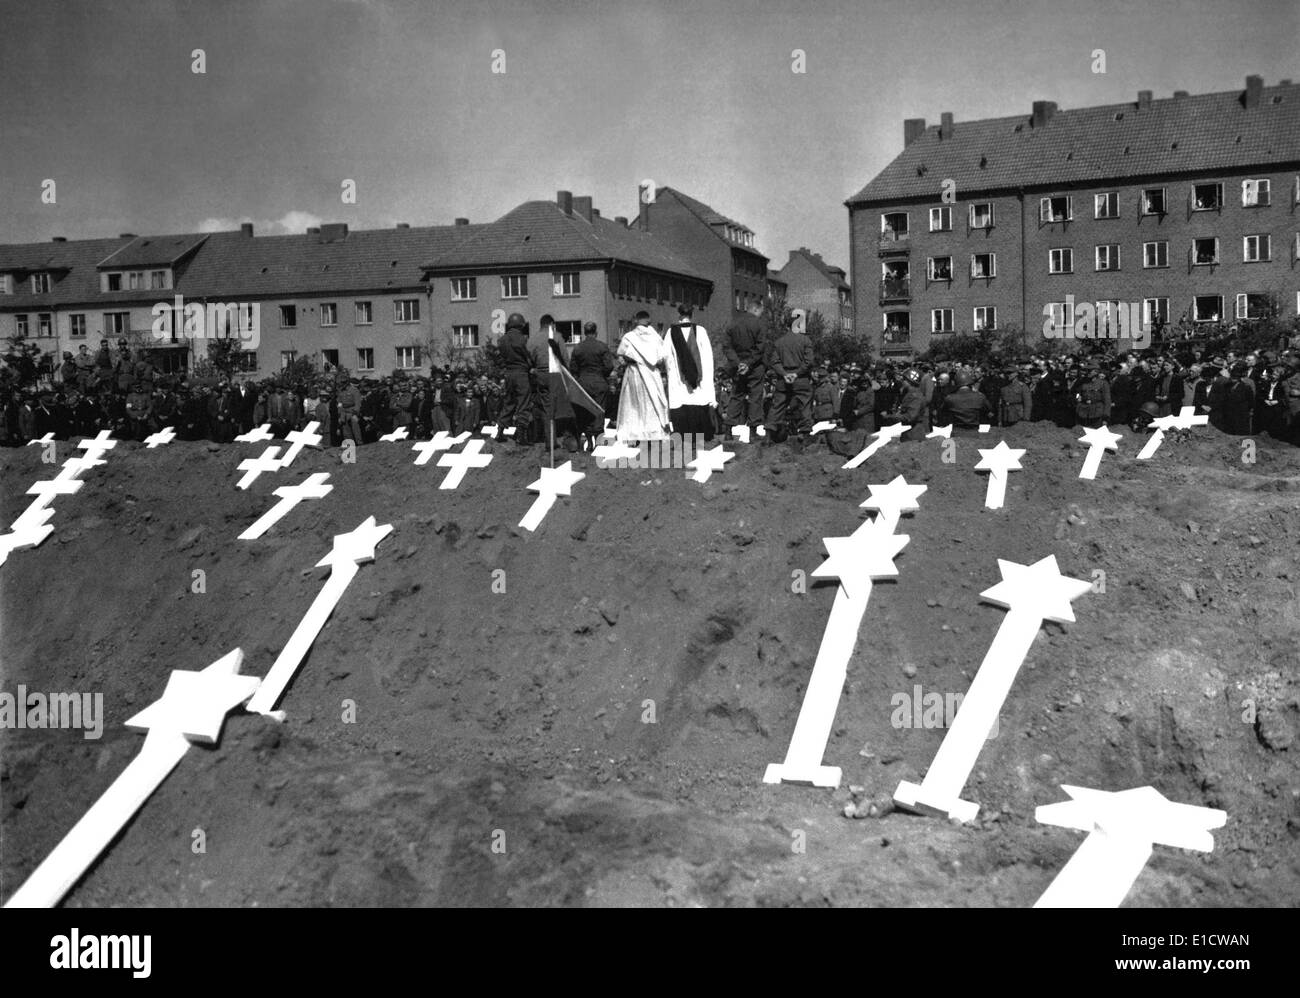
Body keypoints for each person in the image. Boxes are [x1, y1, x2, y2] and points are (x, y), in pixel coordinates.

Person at [663, 303, 717, 442]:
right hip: (699, 378)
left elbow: (667, 356)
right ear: (691, 315)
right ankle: (701, 436)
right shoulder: (701, 330)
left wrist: (673, 371)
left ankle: (683, 437)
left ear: (679, 315)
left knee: (681, 404)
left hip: (678, 378)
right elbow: (707, 355)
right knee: (698, 402)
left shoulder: (671, 332)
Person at [615, 311, 670, 443]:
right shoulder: (656, 337)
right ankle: (654, 432)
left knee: (633, 405)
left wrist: (629, 361)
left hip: (634, 372)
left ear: (636, 320)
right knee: (652, 403)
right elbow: (662, 357)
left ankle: (634, 433)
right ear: (648, 321)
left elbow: (621, 355)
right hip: (652, 373)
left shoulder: (629, 336)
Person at [764, 308, 814, 441]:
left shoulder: (779, 342)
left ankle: (768, 435)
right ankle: (804, 434)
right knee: (804, 405)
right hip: (801, 378)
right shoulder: (805, 340)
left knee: (777, 406)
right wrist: (796, 374)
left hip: (782, 379)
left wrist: (785, 374)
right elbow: (809, 361)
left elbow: (774, 361)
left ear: (787, 325)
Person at [721, 298, 769, 432]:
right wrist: (748, 363)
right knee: (755, 397)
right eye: (761, 312)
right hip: (755, 366)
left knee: (736, 396)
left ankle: (728, 430)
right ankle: (753, 431)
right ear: (755, 309)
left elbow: (727, 347)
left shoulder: (732, 324)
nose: (761, 315)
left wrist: (738, 364)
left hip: (738, 367)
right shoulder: (759, 325)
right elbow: (760, 348)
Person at [569, 322, 614, 449]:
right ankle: (598, 442)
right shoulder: (602, 346)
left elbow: (573, 367)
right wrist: (602, 375)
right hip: (599, 381)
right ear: (596, 332)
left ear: (584, 332)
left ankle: (588, 442)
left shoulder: (577, 348)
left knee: (586, 412)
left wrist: (580, 377)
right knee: (599, 411)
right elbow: (609, 366)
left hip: (583, 383)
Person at [498, 312, 532, 441]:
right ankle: (521, 436)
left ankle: (500, 431)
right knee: (524, 403)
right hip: (521, 373)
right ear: (520, 325)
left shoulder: (502, 340)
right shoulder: (522, 339)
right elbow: (528, 357)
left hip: (509, 373)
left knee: (509, 402)